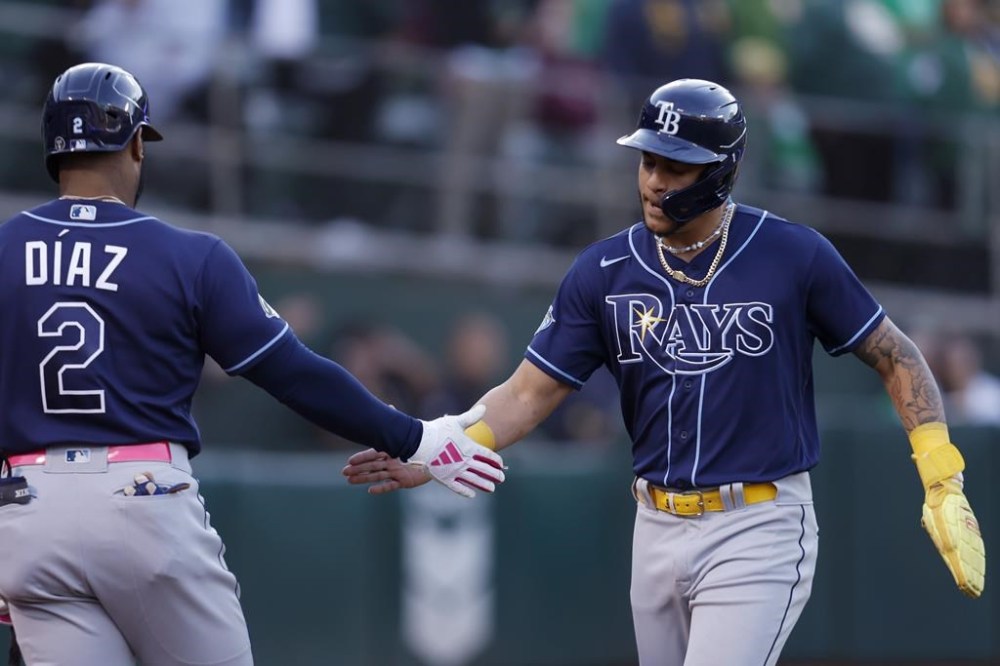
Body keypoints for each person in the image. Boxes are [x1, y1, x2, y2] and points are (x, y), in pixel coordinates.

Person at [342, 78, 987, 665]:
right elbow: (525, 395)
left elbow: (897, 355)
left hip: (757, 524)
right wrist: (433, 447)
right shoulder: (603, 271)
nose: (653, 180)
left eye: (675, 167)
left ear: (721, 171)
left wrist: (941, 477)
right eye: (647, 161)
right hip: (653, 524)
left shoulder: (794, 255)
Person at [0, 62, 505, 666]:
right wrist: (415, 436)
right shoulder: (189, 255)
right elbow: (292, 371)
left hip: (28, 509)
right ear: (135, 142)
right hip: (140, 496)